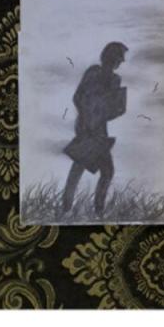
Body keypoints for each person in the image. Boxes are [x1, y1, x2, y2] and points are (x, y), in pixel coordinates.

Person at [61, 42, 128, 216]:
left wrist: (101, 114)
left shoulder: (114, 80)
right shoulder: (95, 73)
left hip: (95, 129)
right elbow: (78, 97)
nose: (120, 62)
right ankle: (86, 209)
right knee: (98, 169)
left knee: (91, 168)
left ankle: (79, 209)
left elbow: (113, 109)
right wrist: (89, 117)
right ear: (112, 58)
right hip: (88, 129)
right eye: (119, 58)